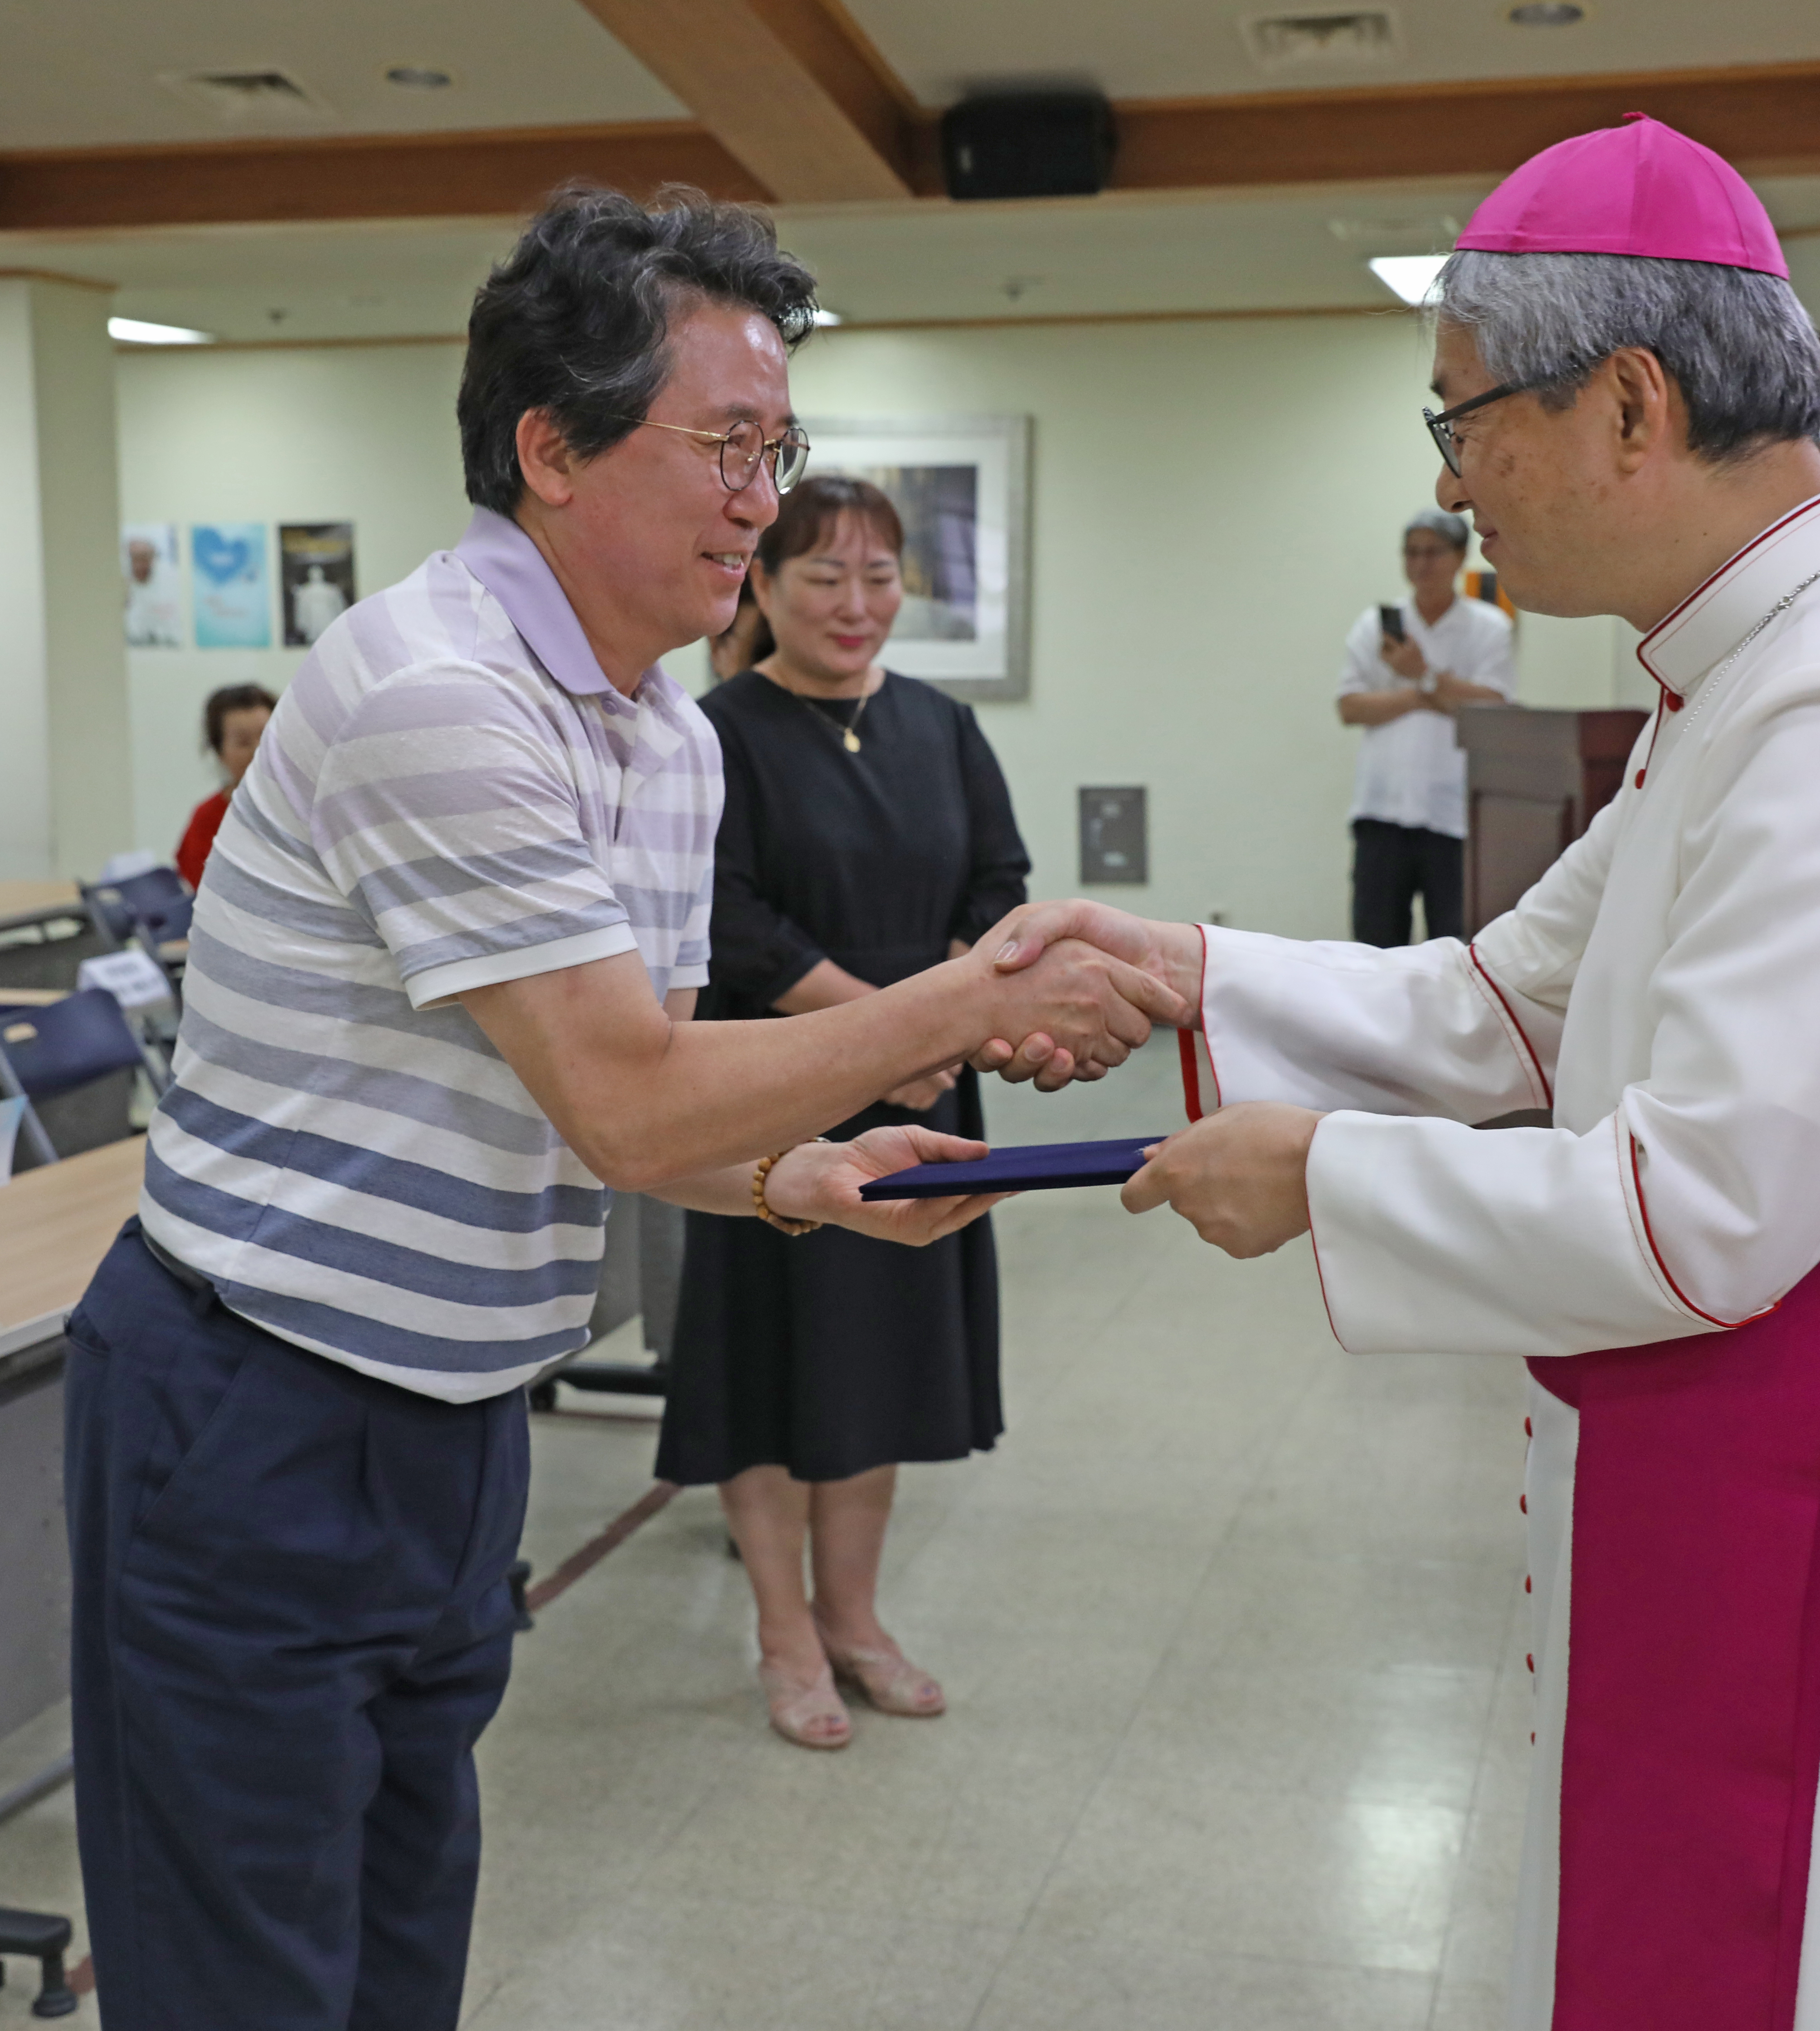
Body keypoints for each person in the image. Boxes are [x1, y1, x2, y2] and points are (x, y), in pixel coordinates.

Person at [986, 116, 1820, 2030]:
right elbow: (1504, 1002)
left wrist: (1314, 1179)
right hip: (1727, 1477)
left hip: (1818, 1532)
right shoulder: (1752, 671)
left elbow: (1704, 1210)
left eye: (1457, 420)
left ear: (1622, 404)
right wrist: (1173, 964)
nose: (1449, 480)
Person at [62, 185, 1176, 2031]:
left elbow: (637, 1106)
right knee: (241, 1980)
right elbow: (631, 1101)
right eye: (728, 448)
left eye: (782, 449)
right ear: (552, 450)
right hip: (256, 1401)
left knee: (398, 1948)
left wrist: (808, 1175)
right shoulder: (441, 695)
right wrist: (970, 999)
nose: (765, 498)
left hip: (448, 1408)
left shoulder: (655, 732)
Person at [659, 475, 1031, 1749]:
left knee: (875, 1366)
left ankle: (856, 1621)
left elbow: (1001, 885)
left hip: (927, 1087)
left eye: (880, 577)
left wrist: (950, 1019)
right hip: (770, 1091)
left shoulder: (939, 726)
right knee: (769, 1370)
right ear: (761, 585)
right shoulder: (715, 733)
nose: (856, 604)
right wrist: (893, 1027)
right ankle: (782, 1633)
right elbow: (732, 921)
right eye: (824, 576)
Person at [1335, 507, 1515, 945]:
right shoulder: (1376, 625)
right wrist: (1425, 695)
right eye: (1411, 553)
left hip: (1453, 816)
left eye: (1432, 553)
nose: (1420, 565)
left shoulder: (1489, 627)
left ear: (1459, 557)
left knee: (1456, 945)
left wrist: (1425, 676)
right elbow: (1350, 707)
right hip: (1382, 811)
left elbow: (1493, 709)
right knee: (1373, 946)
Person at [171, 682, 275, 887]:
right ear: (219, 752)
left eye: (267, 736)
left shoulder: (308, 806)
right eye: (243, 742)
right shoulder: (207, 820)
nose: (259, 750)